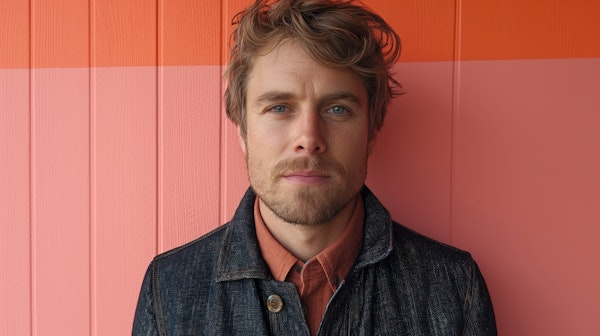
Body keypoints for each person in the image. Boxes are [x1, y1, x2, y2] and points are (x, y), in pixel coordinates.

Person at [133, 0, 497, 334]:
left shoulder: (453, 289)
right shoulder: (168, 291)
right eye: (279, 107)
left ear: (371, 132)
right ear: (242, 131)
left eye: (337, 109)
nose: (309, 137)